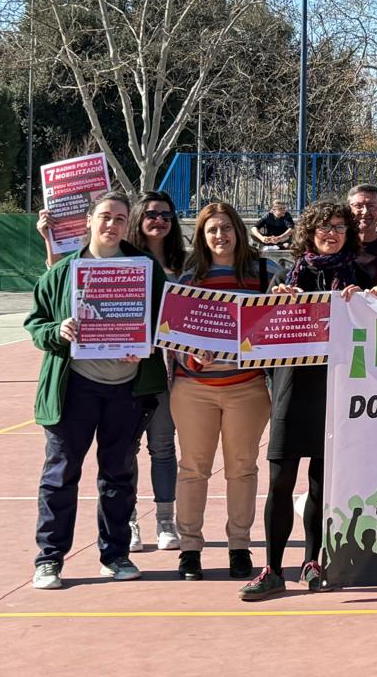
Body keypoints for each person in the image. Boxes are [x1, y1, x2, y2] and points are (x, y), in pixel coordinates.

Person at [240, 200, 377, 601]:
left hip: (338, 392)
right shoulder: (287, 277)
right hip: (291, 390)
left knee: (322, 485)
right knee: (281, 481)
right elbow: (259, 338)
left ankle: (313, 561)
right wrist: (276, 302)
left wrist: (370, 301)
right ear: (309, 232)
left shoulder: (361, 277)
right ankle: (271, 568)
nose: (332, 232)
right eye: (324, 226)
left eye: (339, 226)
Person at [25, 193, 168, 589]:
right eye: (105, 216)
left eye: (120, 219)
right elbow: (35, 324)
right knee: (60, 474)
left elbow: (164, 321)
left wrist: (148, 345)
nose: (112, 225)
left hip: (126, 389)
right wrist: (57, 331)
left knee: (118, 475)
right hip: (73, 388)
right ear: (89, 221)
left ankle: (115, 555)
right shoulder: (62, 273)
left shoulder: (145, 269)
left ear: (127, 225)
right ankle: (49, 559)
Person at [167, 201, 271, 581]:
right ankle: (190, 549)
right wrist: (189, 352)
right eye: (212, 229)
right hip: (194, 389)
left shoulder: (262, 271)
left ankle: (239, 547)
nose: (220, 235)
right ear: (201, 235)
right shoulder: (186, 276)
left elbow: (285, 317)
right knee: (194, 468)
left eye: (226, 227)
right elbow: (169, 333)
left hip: (247, 389)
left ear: (238, 231)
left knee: (242, 469)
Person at [126, 191, 186, 553]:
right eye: (151, 213)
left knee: (163, 447)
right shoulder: (124, 260)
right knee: (124, 449)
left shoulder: (185, 265)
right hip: (130, 370)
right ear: (138, 217)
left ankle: (166, 521)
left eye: (166, 214)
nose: (159, 220)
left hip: (172, 374)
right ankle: (128, 520)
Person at [345, 183, 377, 287]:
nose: (365, 212)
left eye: (371, 206)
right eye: (358, 206)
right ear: (348, 209)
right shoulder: (337, 245)